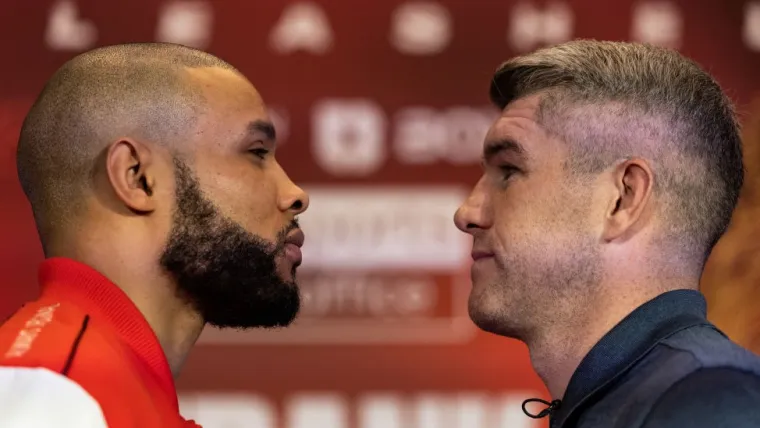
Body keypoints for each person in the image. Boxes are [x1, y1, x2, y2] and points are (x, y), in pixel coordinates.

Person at [454, 40, 760, 427]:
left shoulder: (713, 402)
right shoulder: (630, 399)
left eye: (510, 171)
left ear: (622, 198)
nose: (467, 213)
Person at [0, 43, 309, 427]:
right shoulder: (50, 393)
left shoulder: (82, 391)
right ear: (138, 178)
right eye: (257, 152)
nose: (295, 194)